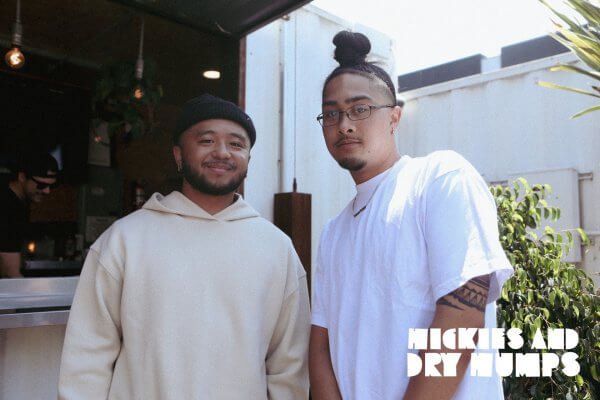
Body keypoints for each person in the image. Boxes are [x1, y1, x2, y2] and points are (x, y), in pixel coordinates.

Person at [58, 94, 311, 399]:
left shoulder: (277, 249)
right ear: (178, 155)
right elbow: (87, 357)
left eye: (236, 144)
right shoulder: (125, 240)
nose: (222, 152)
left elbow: (289, 368)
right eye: (206, 141)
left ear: (248, 159)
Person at [309, 31, 513, 400]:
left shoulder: (439, 177)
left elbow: (462, 318)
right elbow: (321, 345)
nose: (345, 124)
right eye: (332, 113)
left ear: (394, 117)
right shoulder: (332, 232)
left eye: (360, 109)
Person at [0, 152, 59, 278]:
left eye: (51, 186)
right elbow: (10, 272)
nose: (47, 191)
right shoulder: (8, 207)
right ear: (22, 177)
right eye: (41, 185)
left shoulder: (17, 203)